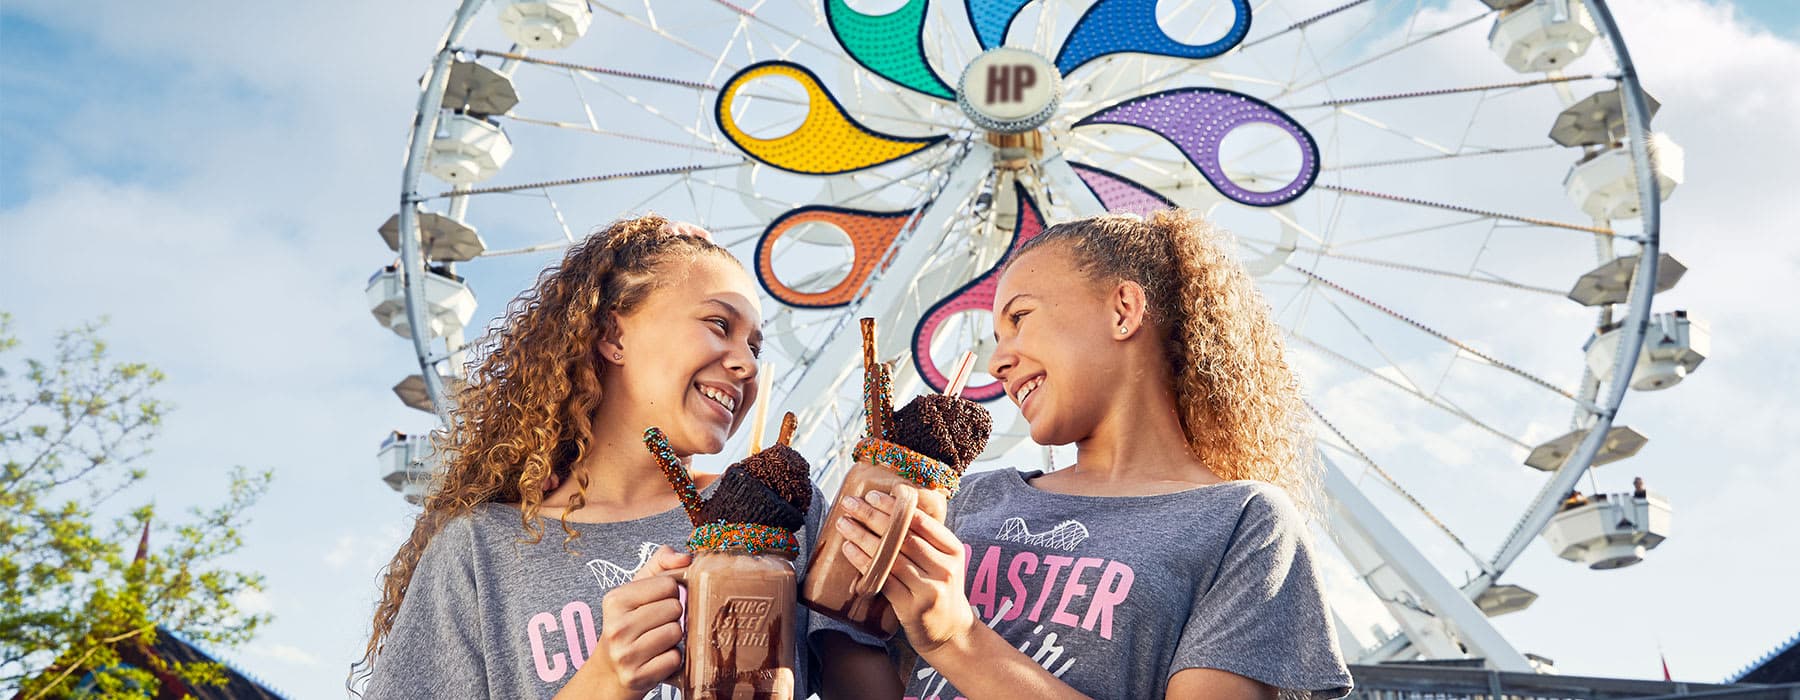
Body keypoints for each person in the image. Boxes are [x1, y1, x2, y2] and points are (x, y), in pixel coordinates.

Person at [830, 210, 1353, 699]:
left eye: (1020, 317)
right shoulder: (964, 500)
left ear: (1124, 310)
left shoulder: (1241, 523)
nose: (997, 361)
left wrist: (956, 640)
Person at [352, 214, 849, 698]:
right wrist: (606, 682)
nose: (746, 364)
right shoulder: (480, 552)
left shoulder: (785, 515)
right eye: (719, 324)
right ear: (614, 336)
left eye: (755, 346)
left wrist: (931, 629)